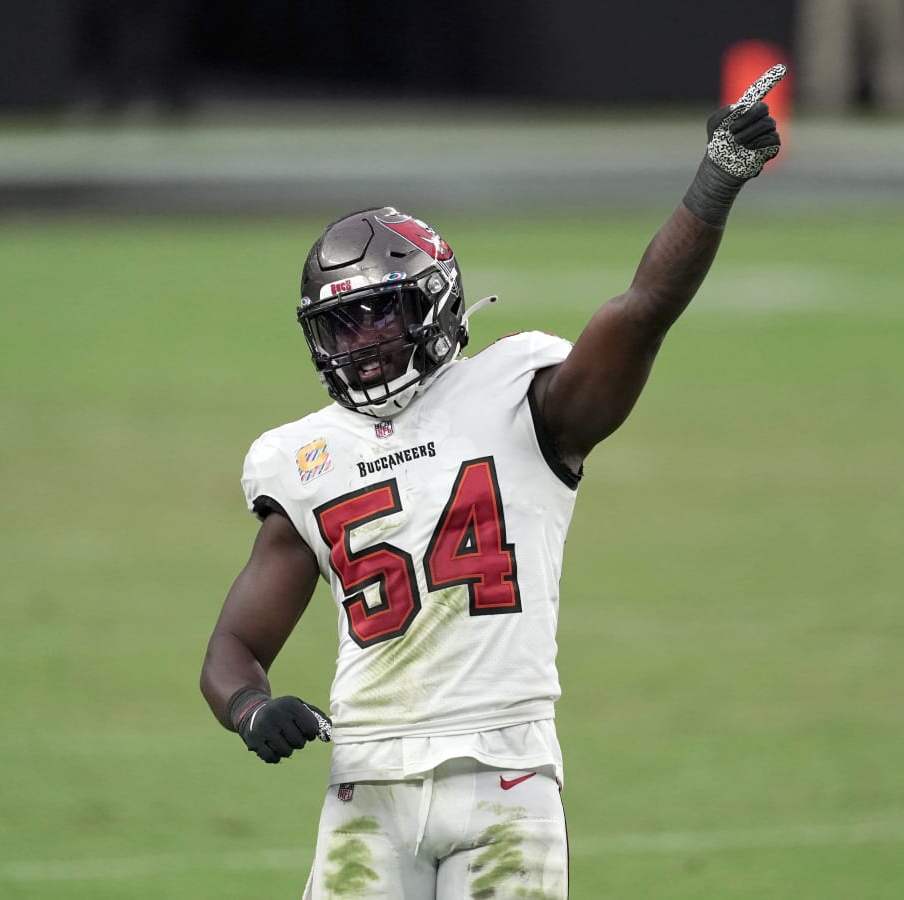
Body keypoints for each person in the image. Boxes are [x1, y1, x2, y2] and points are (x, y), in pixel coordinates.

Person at [199, 64, 787, 900]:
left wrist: (716, 180)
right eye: (341, 323)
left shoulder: (521, 394)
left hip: (506, 777)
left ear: (433, 303)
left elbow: (644, 308)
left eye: (380, 312)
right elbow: (232, 648)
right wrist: (251, 709)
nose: (361, 341)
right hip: (366, 787)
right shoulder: (305, 458)